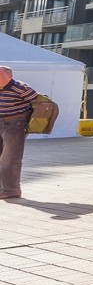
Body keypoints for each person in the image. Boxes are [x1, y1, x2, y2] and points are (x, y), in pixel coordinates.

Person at [0, 65, 41, 200]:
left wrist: (27, 121)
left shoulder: (20, 87)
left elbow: (39, 103)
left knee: (10, 158)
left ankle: (12, 190)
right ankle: (3, 188)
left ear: (9, 76)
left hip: (15, 124)